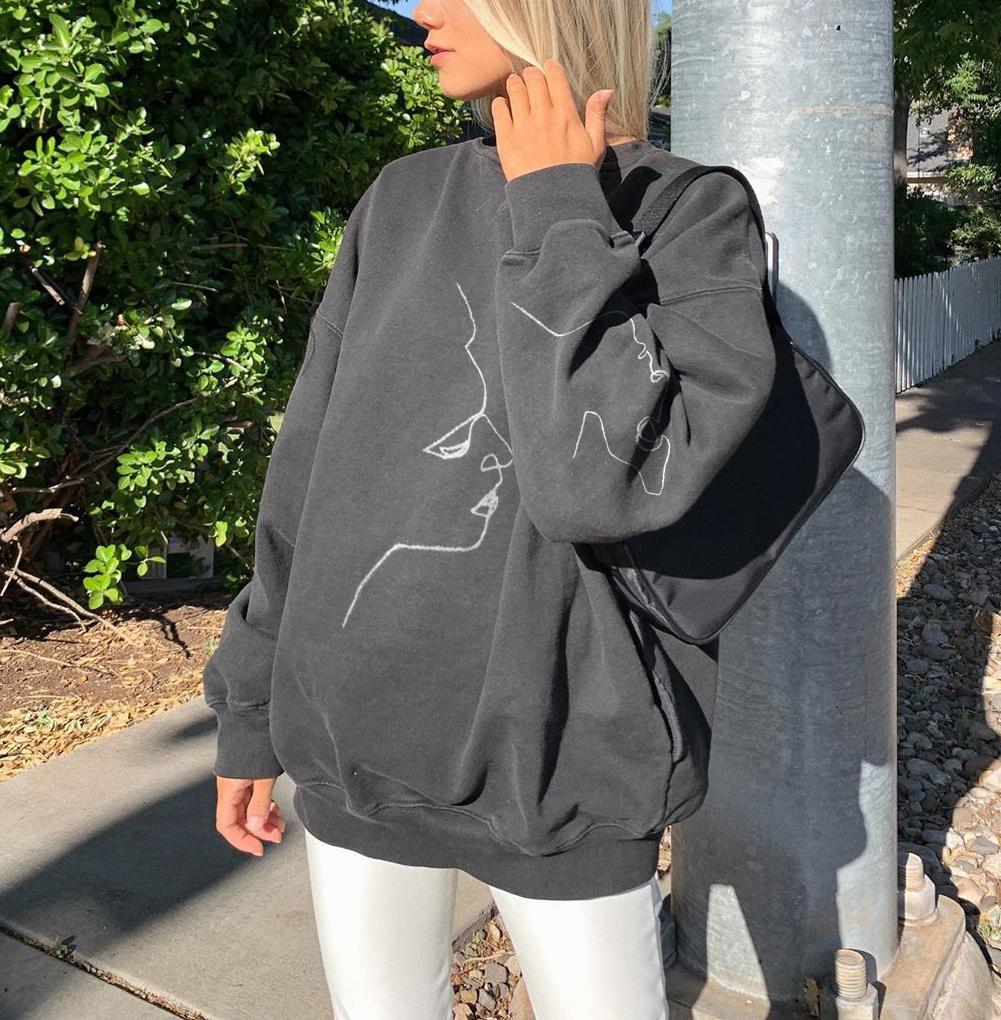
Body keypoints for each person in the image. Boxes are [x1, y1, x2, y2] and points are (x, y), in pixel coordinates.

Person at [201, 1, 777, 1017]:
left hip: (560, 751)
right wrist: (248, 709)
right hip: (355, 730)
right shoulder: (402, 198)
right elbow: (310, 473)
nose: (424, 8)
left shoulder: (690, 212)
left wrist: (557, 204)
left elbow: (597, 487)